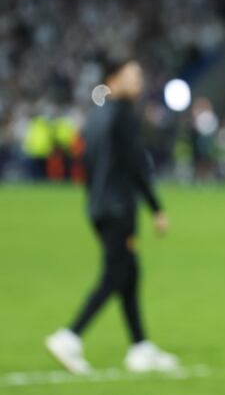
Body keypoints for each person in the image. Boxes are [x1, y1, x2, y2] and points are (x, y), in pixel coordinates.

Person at [45, 59, 178, 374]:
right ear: (113, 79)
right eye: (132, 77)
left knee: (129, 272)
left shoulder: (96, 115)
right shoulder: (122, 115)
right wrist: (156, 208)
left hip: (98, 205)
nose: (139, 83)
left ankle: (140, 347)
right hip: (118, 207)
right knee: (117, 273)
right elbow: (135, 165)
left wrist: (95, 198)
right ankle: (69, 336)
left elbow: (87, 162)